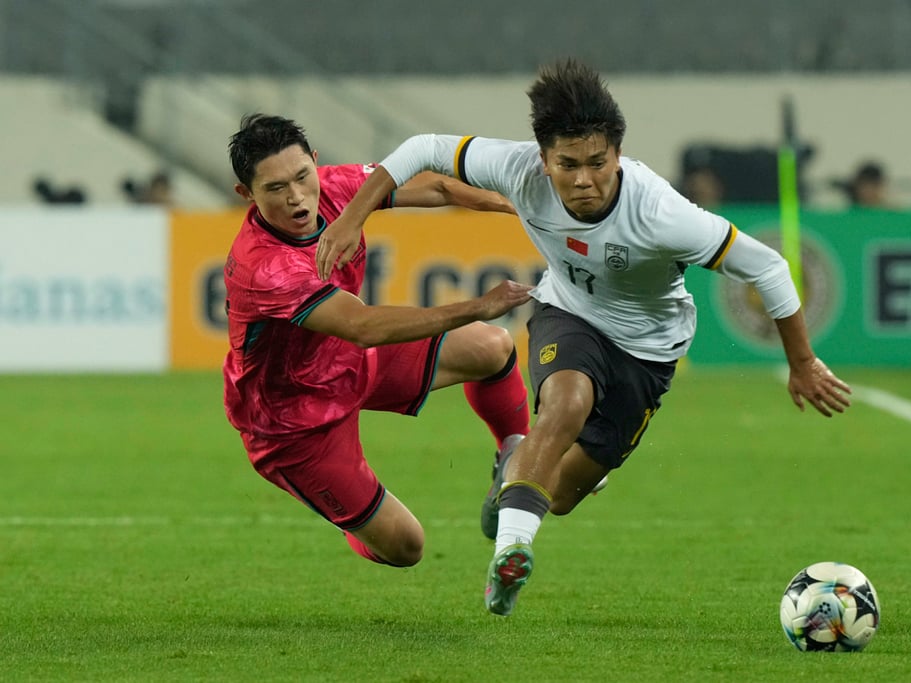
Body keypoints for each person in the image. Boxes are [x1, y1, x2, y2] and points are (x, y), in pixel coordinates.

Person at [314, 60, 852, 616]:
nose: (583, 179)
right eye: (567, 164)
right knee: (566, 403)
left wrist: (803, 362)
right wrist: (353, 216)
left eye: (598, 163)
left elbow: (767, 267)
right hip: (567, 314)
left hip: (647, 354)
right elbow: (423, 147)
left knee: (562, 494)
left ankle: (516, 462)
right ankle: (510, 557)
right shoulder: (516, 169)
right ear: (543, 159)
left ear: (618, 155)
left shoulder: (661, 213)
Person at [223, 113, 535, 570]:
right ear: (246, 194)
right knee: (406, 547)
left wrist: (519, 206)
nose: (296, 197)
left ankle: (514, 459)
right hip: (293, 421)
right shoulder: (264, 268)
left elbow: (438, 187)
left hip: (350, 362)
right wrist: (476, 306)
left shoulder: (333, 188)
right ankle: (347, 517)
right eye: (274, 189)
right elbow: (364, 326)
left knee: (493, 347)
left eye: (302, 177)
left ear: (315, 161)